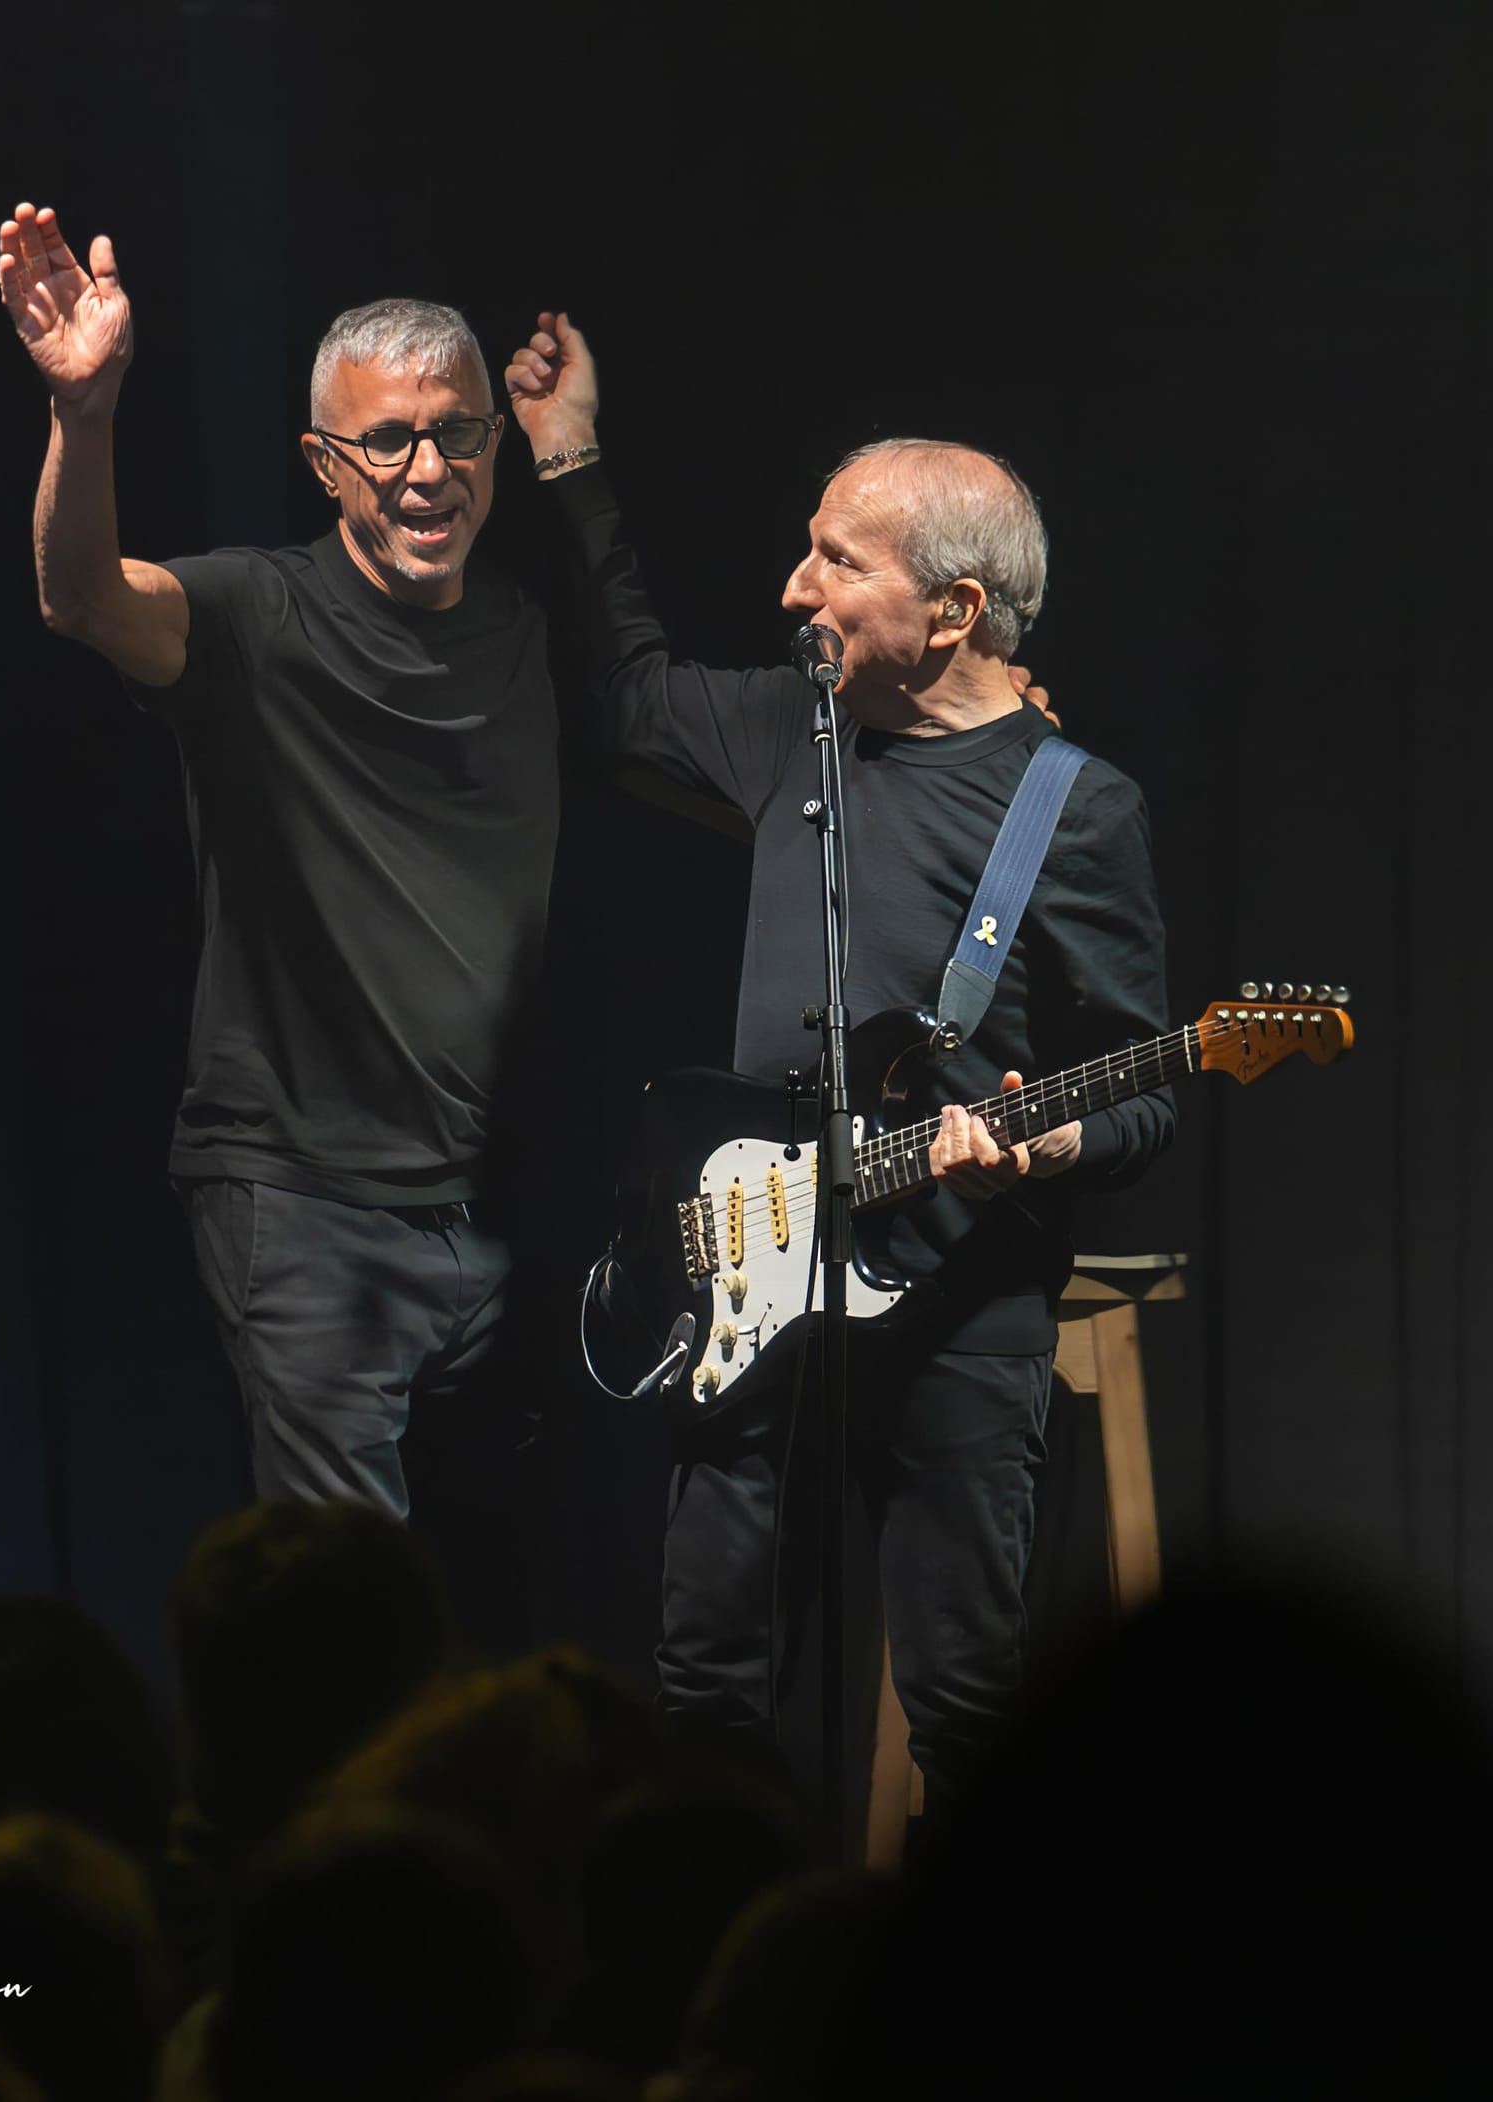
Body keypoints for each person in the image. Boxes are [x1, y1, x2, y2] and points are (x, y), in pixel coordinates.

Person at [505, 313, 1175, 1835]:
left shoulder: (1075, 810)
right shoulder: (788, 731)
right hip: (750, 1281)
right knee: (707, 1691)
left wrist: (1043, 1149)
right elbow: (627, 691)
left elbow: (1144, 1094)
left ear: (952, 611)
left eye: (834, 561)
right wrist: (571, 461)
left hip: (959, 1312)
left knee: (968, 1708)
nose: (794, 589)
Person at [0, 203, 555, 1541]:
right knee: (348, 1604)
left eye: (457, 432)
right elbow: (83, 597)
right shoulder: (258, 612)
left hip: (496, 1213)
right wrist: (84, 411)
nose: (428, 470)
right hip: (308, 1207)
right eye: (388, 439)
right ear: (324, 463)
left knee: (508, 1593)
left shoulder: (529, 630)